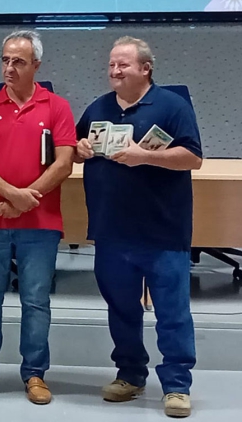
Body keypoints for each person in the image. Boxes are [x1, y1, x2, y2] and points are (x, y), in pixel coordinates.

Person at [75, 36, 203, 419]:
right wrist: (80, 149)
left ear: (145, 68)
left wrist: (143, 156)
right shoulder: (97, 107)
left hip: (163, 232)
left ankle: (177, 385)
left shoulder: (172, 106)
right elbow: (79, 144)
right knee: (122, 310)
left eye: (123, 65)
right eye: (112, 64)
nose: (115, 71)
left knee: (172, 311)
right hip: (112, 232)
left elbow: (193, 157)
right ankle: (130, 374)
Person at [0, 30, 76, 405]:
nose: (9, 68)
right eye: (5, 60)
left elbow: (64, 162)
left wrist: (26, 202)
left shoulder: (56, 107)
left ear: (36, 65)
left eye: (18, 61)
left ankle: (35, 374)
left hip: (40, 224)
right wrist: (14, 195)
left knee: (36, 300)